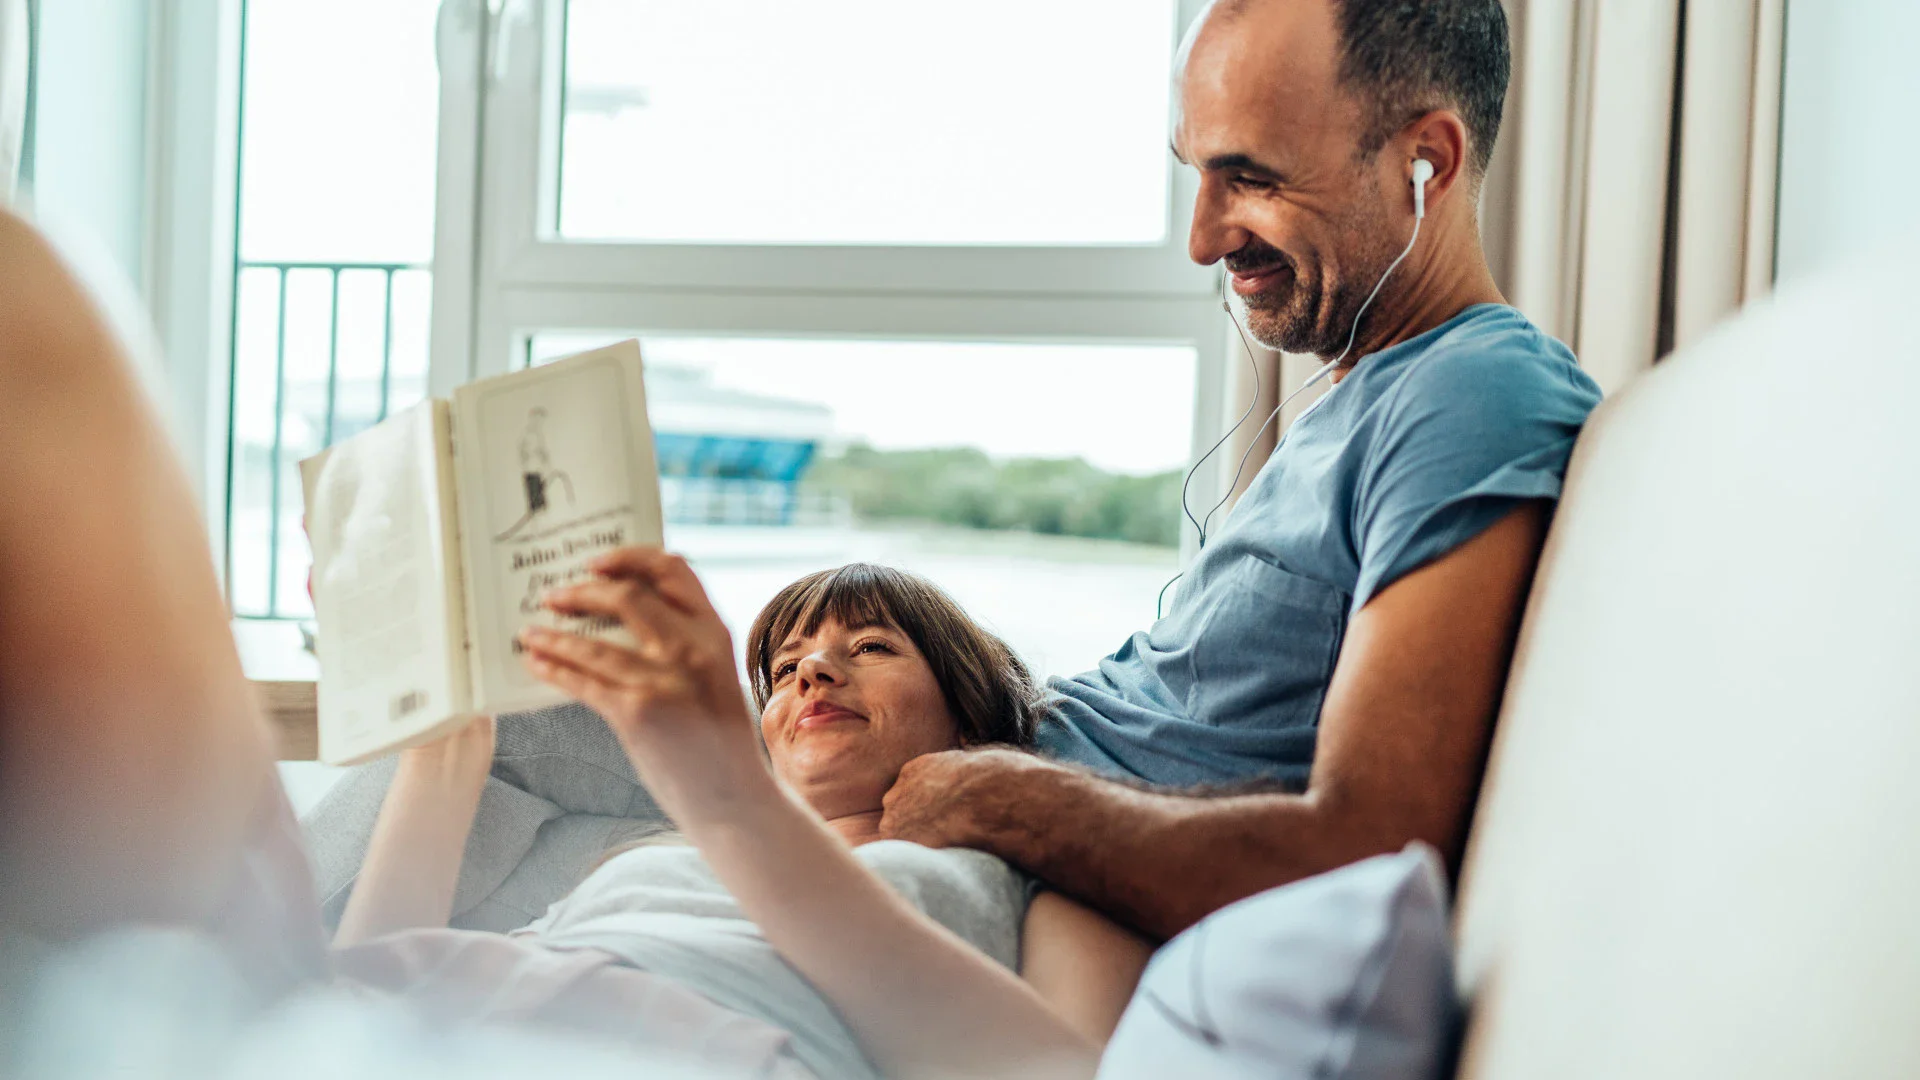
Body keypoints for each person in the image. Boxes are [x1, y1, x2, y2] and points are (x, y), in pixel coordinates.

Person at [875, 0, 1604, 939]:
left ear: (1427, 161)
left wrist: (1004, 800)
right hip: (981, 776)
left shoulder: (1475, 395)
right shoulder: (1373, 389)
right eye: (1197, 174)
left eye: (1251, 178)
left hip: (1015, 864)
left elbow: (1370, 844)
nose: (1205, 238)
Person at [339, 561, 1152, 1079]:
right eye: (785, 668)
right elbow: (367, 988)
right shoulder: (653, 855)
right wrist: (442, 749)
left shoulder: (1037, 895)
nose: (814, 674)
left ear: (970, 717)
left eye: (870, 647)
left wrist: (729, 803)